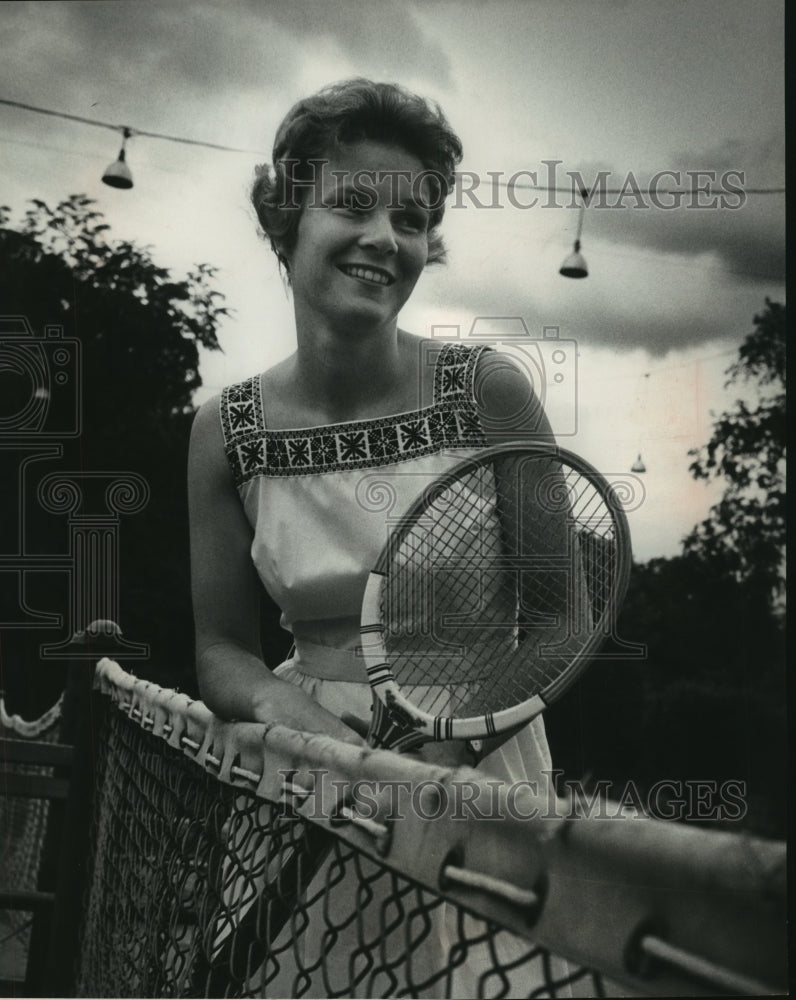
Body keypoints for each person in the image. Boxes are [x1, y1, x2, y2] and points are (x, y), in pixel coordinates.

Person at [188, 78, 561, 996]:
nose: (386, 238)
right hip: (300, 778)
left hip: (476, 786)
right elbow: (222, 649)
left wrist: (445, 754)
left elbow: (559, 623)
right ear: (287, 221)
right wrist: (308, 732)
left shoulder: (493, 392)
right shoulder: (221, 430)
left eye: (412, 219)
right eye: (352, 204)